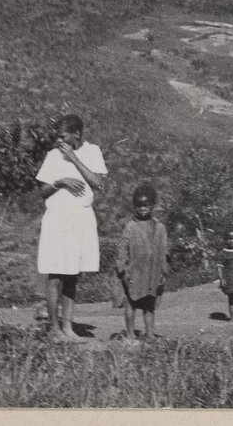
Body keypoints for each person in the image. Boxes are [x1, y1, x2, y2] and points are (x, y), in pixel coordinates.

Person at [36, 114, 107, 342]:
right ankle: (54, 328)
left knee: (72, 273)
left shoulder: (92, 152)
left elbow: (97, 182)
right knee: (56, 273)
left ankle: (68, 327)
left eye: (63, 137)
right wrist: (60, 182)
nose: (59, 141)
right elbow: (43, 190)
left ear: (77, 134)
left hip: (81, 219)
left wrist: (74, 158)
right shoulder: (53, 156)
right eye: (57, 137)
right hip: (58, 219)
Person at [115, 185, 169, 342]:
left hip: (152, 272)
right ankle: (130, 334)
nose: (143, 208)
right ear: (134, 207)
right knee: (131, 303)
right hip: (134, 272)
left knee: (150, 304)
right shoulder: (130, 227)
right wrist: (123, 271)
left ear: (153, 205)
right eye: (139, 206)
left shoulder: (160, 228)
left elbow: (165, 251)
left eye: (146, 205)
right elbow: (122, 250)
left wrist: (164, 271)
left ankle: (149, 333)